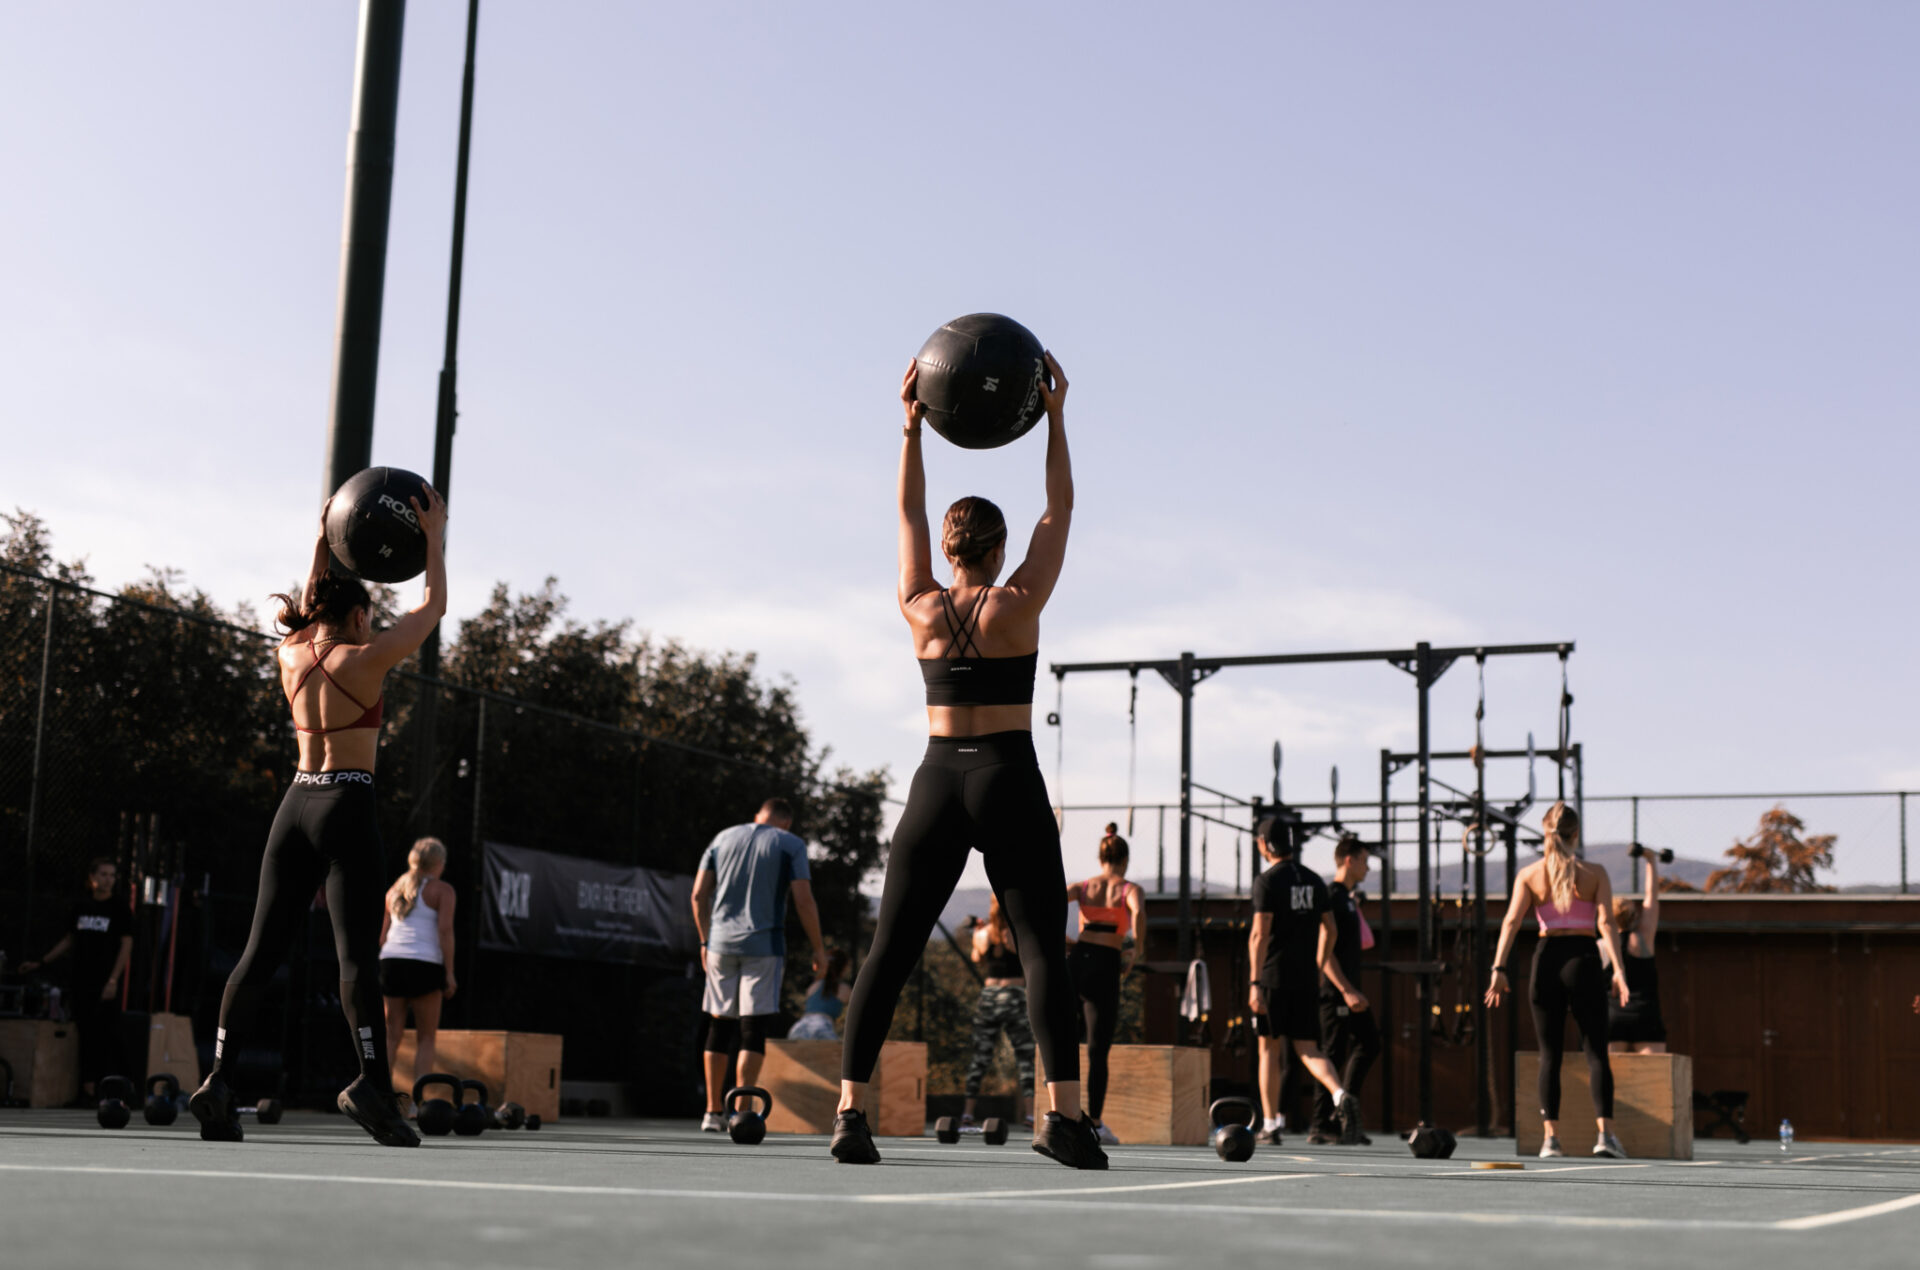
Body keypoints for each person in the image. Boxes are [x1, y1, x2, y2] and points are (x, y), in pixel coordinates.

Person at [833, 353, 1101, 1169]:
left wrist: (911, 430)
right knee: (1041, 951)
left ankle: (850, 1113)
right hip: (1008, 776)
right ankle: (1063, 1119)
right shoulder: (1018, 606)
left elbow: (907, 508)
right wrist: (1055, 418)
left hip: (937, 779)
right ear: (999, 546)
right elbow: (1061, 507)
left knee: (889, 952)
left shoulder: (918, 607)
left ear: (950, 547)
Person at [189, 484, 447, 1147]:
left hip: (295, 805)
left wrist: (324, 537)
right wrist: (434, 538)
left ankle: (219, 1080)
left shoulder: (291, 655)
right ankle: (370, 1086)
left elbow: (312, 600)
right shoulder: (367, 660)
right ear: (359, 616)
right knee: (356, 959)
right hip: (345, 804)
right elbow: (433, 606)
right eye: (368, 612)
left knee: (258, 952)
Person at [1485, 802, 1632, 1159]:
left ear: (1546, 834)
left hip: (1547, 960)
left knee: (1549, 1056)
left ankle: (1551, 1140)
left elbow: (1511, 922)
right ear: (1576, 834)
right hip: (1582, 960)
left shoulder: (1530, 875)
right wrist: (1619, 970)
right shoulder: (1594, 872)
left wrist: (1498, 970)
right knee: (1596, 1052)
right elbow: (1607, 924)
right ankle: (1605, 1137)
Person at [691, 797, 827, 1133]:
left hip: (720, 944)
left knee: (719, 1025)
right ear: (786, 822)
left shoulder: (723, 837)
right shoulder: (789, 844)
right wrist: (819, 949)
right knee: (753, 1027)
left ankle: (711, 1112)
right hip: (764, 947)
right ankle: (741, 1112)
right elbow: (803, 899)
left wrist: (705, 941)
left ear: (757, 816)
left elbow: (697, 895)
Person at [1246, 815, 1361, 1147]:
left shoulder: (1267, 881)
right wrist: (1320, 961)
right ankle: (1340, 1095)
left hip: (1273, 978)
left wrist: (1255, 983)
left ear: (1265, 844)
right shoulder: (1314, 882)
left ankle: (1270, 1124)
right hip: (1306, 980)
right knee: (1308, 1048)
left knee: (1268, 1049)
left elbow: (1259, 934)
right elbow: (1332, 929)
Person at [21, 857, 132, 1100]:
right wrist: (42, 961)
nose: (108, 879)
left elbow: (126, 945)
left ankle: (114, 1088)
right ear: (92, 878)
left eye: (112, 875)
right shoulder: (81, 906)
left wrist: (113, 980)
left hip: (106, 981)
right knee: (85, 1031)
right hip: (82, 979)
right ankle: (86, 1087)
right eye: (103, 874)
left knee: (107, 1032)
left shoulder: (119, 908)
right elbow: (69, 939)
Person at [1067, 824, 1145, 1145]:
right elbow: (1139, 914)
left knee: (1067, 1040)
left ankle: (1065, 1113)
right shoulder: (1128, 889)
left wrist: (1062, 940)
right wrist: (1135, 951)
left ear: (1100, 857)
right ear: (1124, 859)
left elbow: (1052, 899)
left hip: (1078, 959)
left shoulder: (1084, 886)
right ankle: (1095, 1122)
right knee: (1099, 1049)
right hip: (1106, 963)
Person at [1310, 834, 1382, 1145]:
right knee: (1332, 1054)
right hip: (1335, 992)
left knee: (1370, 1043)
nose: (1368, 868)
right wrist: (1345, 989)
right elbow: (1321, 953)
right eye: (1365, 861)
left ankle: (1345, 1115)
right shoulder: (1330, 897)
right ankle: (1321, 1125)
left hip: (1350, 990)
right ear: (1349, 860)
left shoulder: (1348, 900)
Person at [379, 837, 458, 1103]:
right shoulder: (443, 890)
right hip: (425, 965)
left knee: (391, 1035)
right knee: (426, 1038)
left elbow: (382, 936)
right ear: (438, 863)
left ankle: (380, 1098)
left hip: (391, 962)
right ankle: (417, 1104)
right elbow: (445, 931)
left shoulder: (394, 890)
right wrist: (449, 972)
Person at [960, 897, 1037, 1130]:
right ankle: (1030, 1115)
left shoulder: (985, 933)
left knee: (980, 1057)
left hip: (990, 995)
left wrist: (977, 934)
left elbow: (977, 957)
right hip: (1015, 994)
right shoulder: (1018, 930)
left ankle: (967, 1114)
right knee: (1025, 1057)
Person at [1605, 850, 1666, 1055]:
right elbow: (1652, 897)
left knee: (1610, 1083)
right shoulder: (1643, 937)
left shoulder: (1600, 945)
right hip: (1645, 1016)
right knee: (1654, 1082)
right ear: (1634, 915)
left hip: (1613, 1018)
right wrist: (1651, 860)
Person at [789, 949, 851, 1040]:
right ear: (843, 968)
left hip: (798, 1028)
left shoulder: (813, 986)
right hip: (823, 1030)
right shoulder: (845, 990)